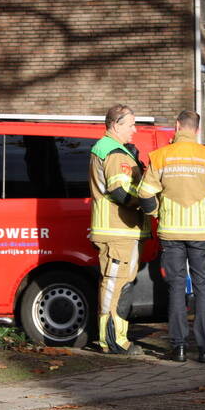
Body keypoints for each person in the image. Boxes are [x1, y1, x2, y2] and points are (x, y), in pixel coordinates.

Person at [138, 110, 205, 364]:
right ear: (198, 129)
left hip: (171, 232)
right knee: (202, 288)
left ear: (178, 126)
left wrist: (157, 212)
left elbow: (144, 195)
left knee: (176, 288)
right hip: (202, 233)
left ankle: (177, 348)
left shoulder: (160, 157)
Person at [88, 104, 148, 355]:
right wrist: (147, 197)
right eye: (131, 124)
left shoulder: (110, 149)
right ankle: (113, 341)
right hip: (117, 230)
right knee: (115, 286)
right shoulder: (114, 152)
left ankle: (114, 338)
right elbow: (121, 192)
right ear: (116, 125)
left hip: (116, 230)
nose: (135, 130)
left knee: (117, 285)